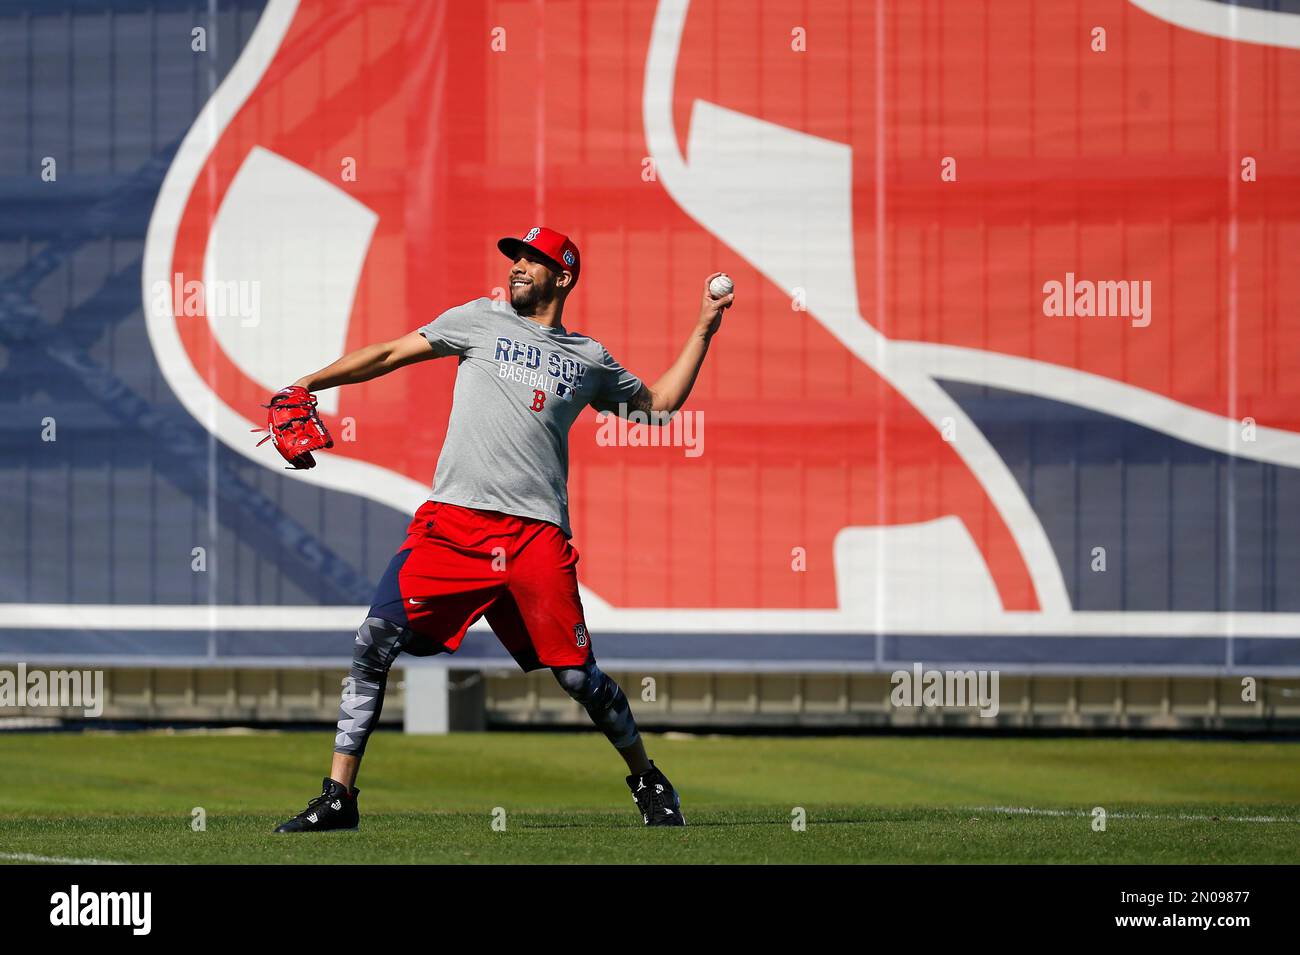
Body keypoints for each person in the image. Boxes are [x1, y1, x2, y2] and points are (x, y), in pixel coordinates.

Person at [272, 226, 732, 831]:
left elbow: (658, 407)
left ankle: (647, 778)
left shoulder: (588, 360)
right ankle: (338, 799)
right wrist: (308, 384)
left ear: (561, 278)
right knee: (374, 640)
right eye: (516, 257)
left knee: (577, 676)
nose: (518, 266)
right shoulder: (477, 321)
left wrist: (702, 327)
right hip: (452, 525)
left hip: (534, 535)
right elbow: (387, 354)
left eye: (533, 260)